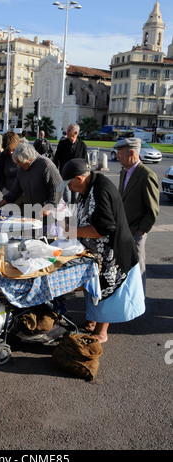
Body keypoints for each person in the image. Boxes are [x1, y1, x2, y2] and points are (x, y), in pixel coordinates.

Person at [57, 158, 145, 343]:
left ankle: (101, 332)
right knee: (94, 288)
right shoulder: (89, 186)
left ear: (79, 179)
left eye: (69, 183)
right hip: (98, 252)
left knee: (106, 290)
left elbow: (103, 228)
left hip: (113, 253)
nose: (69, 188)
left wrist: (72, 232)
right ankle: (91, 323)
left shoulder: (100, 190)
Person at [114, 137, 160, 292]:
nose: (117, 156)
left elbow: (153, 210)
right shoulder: (124, 172)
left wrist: (140, 231)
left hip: (135, 231)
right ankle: (127, 295)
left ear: (132, 153)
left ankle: (140, 298)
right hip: (123, 229)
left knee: (137, 266)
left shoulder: (147, 175)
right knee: (124, 265)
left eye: (120, 153)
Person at [0, 142, 62, 221]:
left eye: (19, 162)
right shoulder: (21, 168)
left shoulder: (46, 165)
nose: (18, 165)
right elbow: (15, 191)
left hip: (47, 214)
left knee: (45, 232)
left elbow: (58, 187)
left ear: (29, 159)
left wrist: (50, 205)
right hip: (30, 212)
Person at [53, 124, 88, 203]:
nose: (67, 132)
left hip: (77, 177)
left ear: (75, 133)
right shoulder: (62, 144)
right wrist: (55, 173)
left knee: (74, 198)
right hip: (65, 176)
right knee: (67, 197)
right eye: (67, 130)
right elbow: (56, 159)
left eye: (69, 130)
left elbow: (85, 162)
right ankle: (67, 214)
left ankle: (73, 214)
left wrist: (86, 176)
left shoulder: (82, 145)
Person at [0, 131, 21, 196]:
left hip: (24, 194)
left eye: (13, 149)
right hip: (8, 193)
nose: (11, 152)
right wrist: (3, 190)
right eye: (8, 150)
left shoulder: (23, 154)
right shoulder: (3, 156)